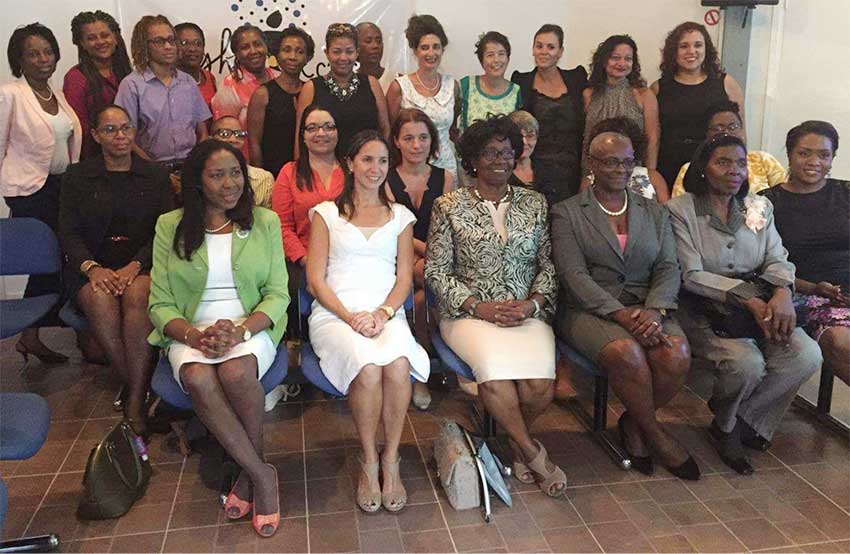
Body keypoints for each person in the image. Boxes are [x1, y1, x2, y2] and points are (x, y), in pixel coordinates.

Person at [147, 140, 288, 537]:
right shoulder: (169, 226)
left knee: (236, 372)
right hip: (191, 328)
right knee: (198, 377)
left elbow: (278, 293)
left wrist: (241, 331)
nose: (230, 184)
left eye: (236, 173)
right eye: (217, 175)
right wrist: (194, 335)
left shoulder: (264, 222)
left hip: (250, 325)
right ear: (197, 181)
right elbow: (159, 303)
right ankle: (261, 474)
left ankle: (250, 473)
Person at [425, 116, 565, 496]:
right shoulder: (448, 205)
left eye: (506, 152)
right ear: (472, 159)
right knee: (497, 378)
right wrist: (477, 306)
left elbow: (548, 265)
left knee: (541, 385)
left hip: (525, 312)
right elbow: (436, 271)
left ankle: (517, 445)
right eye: (489, 153)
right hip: (470, 315)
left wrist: (533, 305)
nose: (500, 160)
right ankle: (533, 454)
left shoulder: (535, 203)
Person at [667, 134, 822, 476]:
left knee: (806, 355)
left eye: (740, 163)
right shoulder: (681, 210)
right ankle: (732, 427)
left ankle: (734, 422)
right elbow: (691, 274)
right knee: (746, 364)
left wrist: (782, 292)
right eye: (723, 162)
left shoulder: (758, 206)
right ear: (703, 168)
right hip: (703, 307)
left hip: (762, 301)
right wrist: (746, 298)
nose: (734, 170)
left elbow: (777, 257)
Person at [551, 131, 698, 480]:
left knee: (676, 353)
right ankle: (657, 435)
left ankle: (634, 422)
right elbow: (573, 275)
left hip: (648, 306)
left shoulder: (654, 211)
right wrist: (622, 315)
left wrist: (655, 310)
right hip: (589, 309)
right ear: (592, 164)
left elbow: (668, 266)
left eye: (627, 161)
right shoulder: (567, 212)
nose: (621, 169)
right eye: (611, 161)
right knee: (627, 353)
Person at [305, 130, 429, 513]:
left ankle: (391, 459)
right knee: (369, 369)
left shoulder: (401, 217)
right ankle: (368, 460)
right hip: (336, 314)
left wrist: (382, 313)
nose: (375, 168)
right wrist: (350, 317)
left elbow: (404, 280)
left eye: (382, 161)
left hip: (385, 313)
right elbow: (315, 280)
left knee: (399, 364)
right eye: (367, 159)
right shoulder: (326, 214)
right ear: (350, 163)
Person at [58, 105, 173, 436]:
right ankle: (142, 390)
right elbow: (68, 232)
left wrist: (136, 265)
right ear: (95, 135)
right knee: (99, 298)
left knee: (138, 295)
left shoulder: (155, 175)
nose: (120, 135)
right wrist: (92, 268)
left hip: (141, 263)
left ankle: (134, 399)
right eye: (110, 130)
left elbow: (165, 230)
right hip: (92, 265)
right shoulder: (77, 177)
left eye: (125, 128)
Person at [1, 23, 82, 364]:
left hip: (61, 187)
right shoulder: (11, 94)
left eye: (48, 51)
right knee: (45, 260)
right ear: (19, 59)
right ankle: (31, 335)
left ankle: (31, 336)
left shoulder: (56, 95)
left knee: (55, 262)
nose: (43, 59)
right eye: (33, 54)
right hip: (30, 191)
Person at [761, 121, 849, 386]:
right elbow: (758, 263)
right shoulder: (766, 202)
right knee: (843, 343)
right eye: (804, 153)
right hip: (804, 294)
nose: (814, 162)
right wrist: (811, 287)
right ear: (789, 154)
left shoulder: (846, 192)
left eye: (824, 155)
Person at [385, 107, 454, 410]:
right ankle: (427, 370)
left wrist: (430, 256)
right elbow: (393, 229)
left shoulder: (446, 178)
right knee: (422, 284)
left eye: (423, 138)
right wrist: (423, 254)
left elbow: (447, 227)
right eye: (409, 138)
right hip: (395, 254)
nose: (417, 145)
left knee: (423, 296)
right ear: (396, 142)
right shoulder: (385, 178)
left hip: (435, 256)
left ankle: (420, 374)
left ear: (432, 140)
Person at [271, 104, 344, 338]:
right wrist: (306, 259)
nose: (321, 133)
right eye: (312, 128)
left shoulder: (353, 169)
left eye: (328, 127)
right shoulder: (289, 172)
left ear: (338, 132)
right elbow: (282, 226)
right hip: (302, 260)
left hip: (347, 256)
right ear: (302, 136)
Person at [651, 22, 744, 189]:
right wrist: (650, 174)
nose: (691, 51)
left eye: (698, 45)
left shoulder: (726, 83)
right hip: (669, 167)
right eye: (684, 46)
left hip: (715, 167)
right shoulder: (658, 88)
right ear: (673, 51)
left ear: (706, 49)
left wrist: (742, 166)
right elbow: (653, 137)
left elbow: (740, 132)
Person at [115, 15, 211, 168]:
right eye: (159, 41)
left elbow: (202, 131)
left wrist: (196, 163)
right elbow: (126, 137)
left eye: (171, 40)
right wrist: (155, 170)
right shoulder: (132, 85)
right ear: (144, 46)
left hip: (190, 164)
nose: (168, 46)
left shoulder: (188, 82)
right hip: (149, 167)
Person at [511, 24, 587, 203]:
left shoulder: (576, 78)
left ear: (560, 52)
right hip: (537, 172)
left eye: (551, 47)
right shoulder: (521, 81)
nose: (544, 52)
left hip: (573, 170)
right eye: (539, 46)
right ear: (533, 49)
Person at [583, 35, 662, 193]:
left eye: (628, 59)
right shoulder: (588, 94)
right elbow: (586, 138)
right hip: (595, 171)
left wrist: (650, 173)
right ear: (604, 60)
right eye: (615, 58)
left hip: (631, 172)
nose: (622, 63)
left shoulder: (644, 95)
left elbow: (653, 138)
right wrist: (585, 173)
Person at [296, 23, 389, 156]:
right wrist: (300, 167)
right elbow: (300, 137)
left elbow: (385, 129)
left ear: (357, 52)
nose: (343, 58)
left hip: (367, 163)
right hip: (324, 164)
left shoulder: (371, 83)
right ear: (327, 53)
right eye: (337, 51)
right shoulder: (311, 88)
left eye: (349, 51)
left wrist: (382, 160)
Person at [386, 15, 459, 179]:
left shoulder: (452, 85)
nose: (431, 53)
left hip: (446, 167)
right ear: (415, 51)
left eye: (436, 47)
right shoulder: (400, 87)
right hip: (409, 168)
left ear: (442, 50)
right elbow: (391, 132)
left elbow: (453, 128)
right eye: (425, 47)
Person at [671, 101, 786, 197]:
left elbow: (786, 194)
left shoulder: (762, 160)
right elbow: (681, 207)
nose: (726, 133)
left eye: (733, 127)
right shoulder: (691, 167)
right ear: (707, 134)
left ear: (742, 130)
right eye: (718, 128)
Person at [64, 11, 132, 160]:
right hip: (95, 159)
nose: (100, 42)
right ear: (82, 44)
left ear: (115, 37)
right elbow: (80, 130)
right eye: (91, 38)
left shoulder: (128, 73)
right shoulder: (76, 78)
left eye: (105, 35)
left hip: (131, 154)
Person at [247, 26, 314, 177]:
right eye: (286, 50)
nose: (293, 56)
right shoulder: (262, 94)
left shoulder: (311, 91)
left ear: (307, 58)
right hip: (272, 175)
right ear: (277, 54)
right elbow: (254, 142)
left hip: (306, 173)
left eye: (300, 51)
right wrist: (261, 179)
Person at [211, 23, 278, 156]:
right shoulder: (229, 87)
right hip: (245, 161)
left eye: (257, 44)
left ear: (266, 46)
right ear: (236, 53)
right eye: (245, 47)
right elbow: (224, 136)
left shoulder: (278, 78)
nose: (253, 51)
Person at [579, 117, 668, 201]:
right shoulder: (589, 183)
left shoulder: (653, 178)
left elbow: (666, 211)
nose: (621, 169)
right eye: (611, 162)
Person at [458, 31, 522, 134]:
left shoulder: (516, 91)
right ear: (481, 60)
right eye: (490, 55)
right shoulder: (466, 85)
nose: (496, 60)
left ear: (508, 58)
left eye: (501, 54)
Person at [210, 116, 275, 208]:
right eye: (224, 133)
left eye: (239, 134)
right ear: (210, 139)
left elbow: (269, 216)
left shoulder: (263, 178)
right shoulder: (199, 175)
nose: (233, 139)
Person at [507, 110, 558, 205]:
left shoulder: (549, 171)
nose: (525, 142)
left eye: (530, 136)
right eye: (519, 136)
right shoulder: (500, 172)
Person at [175, 22, 217, 109]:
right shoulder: (167, 81)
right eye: (184, 43)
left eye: (197, 43)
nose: (192, 49)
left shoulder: (209, 77)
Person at [355, 22, 396, 92]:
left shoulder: (397, 81)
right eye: (368, 41)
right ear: (356, 46)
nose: (375, 46)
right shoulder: (348, 81)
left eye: (378, 41)